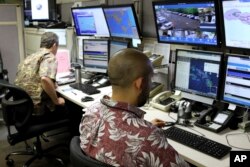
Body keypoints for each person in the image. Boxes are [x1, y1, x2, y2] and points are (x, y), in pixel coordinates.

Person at [79, 48, 189, 167]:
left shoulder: (90, 112)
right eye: (150, 79)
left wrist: (142, 126)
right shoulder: (148, 137)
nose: (150, 84)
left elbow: (117, 125)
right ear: (139, 83)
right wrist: (147, 131)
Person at [15, 32, 66, 119]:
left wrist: (52, 83)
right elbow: (45, 79)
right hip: (37, 109)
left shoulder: (31, 56)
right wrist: (56, 101)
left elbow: (33, 78)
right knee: (70, 108)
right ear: (54, 45)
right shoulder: (49, 57)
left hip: (22, 107)